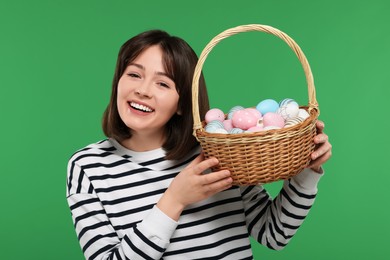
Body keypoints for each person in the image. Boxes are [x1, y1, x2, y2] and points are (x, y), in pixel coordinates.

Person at [66, 29, 332, 260]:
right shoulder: (88, 167)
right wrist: (175, 198)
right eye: (134, 74)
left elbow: (273, 235)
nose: (143, 90)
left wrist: (306, 174)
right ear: (118, 82)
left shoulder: (218, 153)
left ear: (183, 104)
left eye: (162, 83)